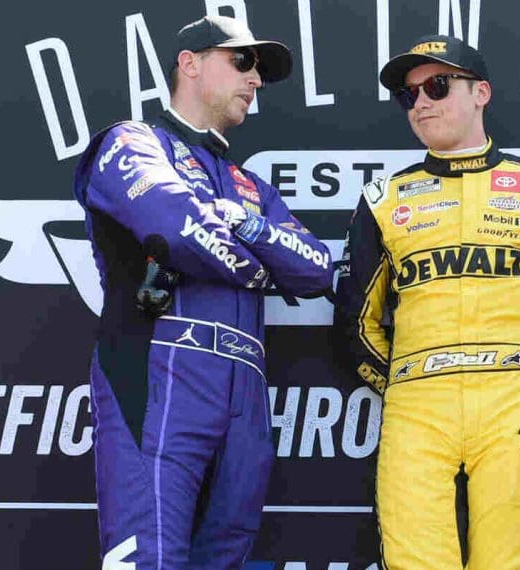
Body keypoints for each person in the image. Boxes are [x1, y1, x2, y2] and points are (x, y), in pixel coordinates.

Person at [334, 35, 520, 569]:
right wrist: (399, 380)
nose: (421, 102)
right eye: (409, 94)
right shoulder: (382, 198)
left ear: (481, 92)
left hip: (515, 401)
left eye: (437, 86)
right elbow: (354, 324)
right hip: (415, 406)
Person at [71, 15, 332, 569]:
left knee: (226, 558)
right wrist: (263, 268)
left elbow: (316, 271)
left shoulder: (250, 186)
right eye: (242, 61)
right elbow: (175, 228)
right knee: (152, 557)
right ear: (189, 64)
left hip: (246, 394)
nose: (255, 78)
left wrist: (248, 224)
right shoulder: (133, 141)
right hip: (161, 373)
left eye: (258, 68)